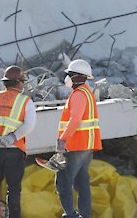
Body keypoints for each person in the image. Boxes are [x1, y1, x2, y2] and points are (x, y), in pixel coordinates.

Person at [0, 65, 36, 218]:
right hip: (14, 150)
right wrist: (12, 138)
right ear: (18, 83)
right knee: (14, 188)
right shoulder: (25, 102)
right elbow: (29, 125)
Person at [53, 59, 102, 218]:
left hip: (76, 146)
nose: (66, 77)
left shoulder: (79, 95)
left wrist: (62, 140)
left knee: (63, 181)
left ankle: (70, 214)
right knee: (82, 183)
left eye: (69, 74)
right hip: (86, 146)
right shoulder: (87, 93)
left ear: (77, 77)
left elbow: (75, 120)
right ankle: (85, 215)